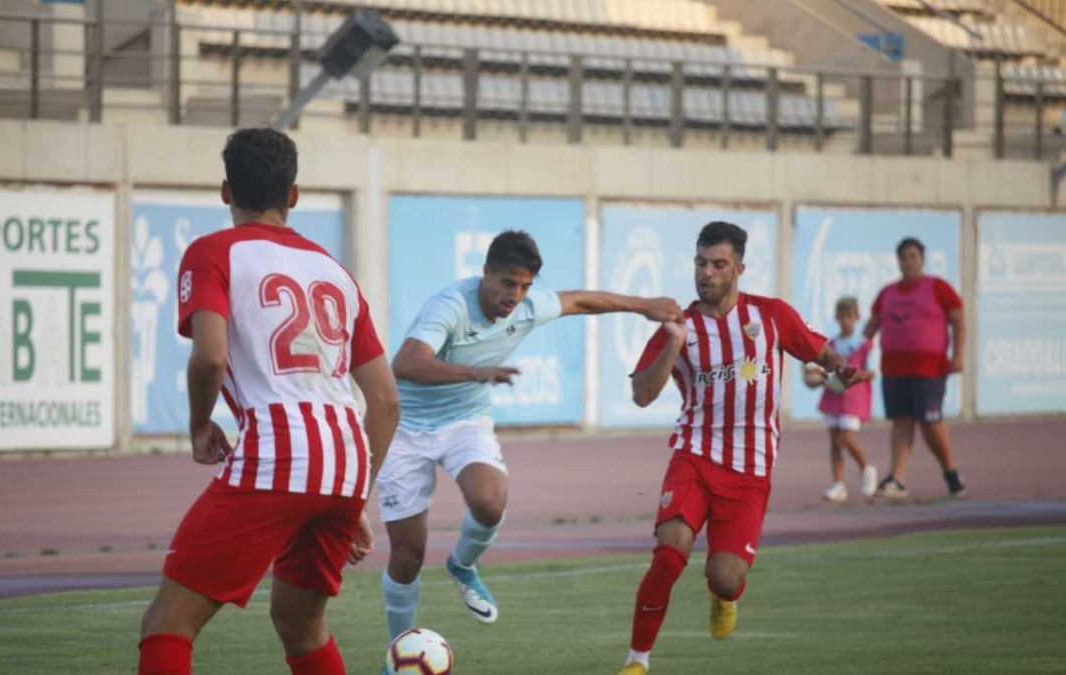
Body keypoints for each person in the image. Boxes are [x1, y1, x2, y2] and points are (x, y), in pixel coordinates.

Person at [137, 128, 400, 675]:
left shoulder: (213, 252)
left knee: (168, 622)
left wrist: (197, 425)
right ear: (295, 195)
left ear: (226, 191)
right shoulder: (335, 270)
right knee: (301, 627)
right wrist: (354, 494)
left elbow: (209, 357)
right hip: (346, 462)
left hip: (280, 452)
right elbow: (385, 401)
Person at [379, 229, 681, 645]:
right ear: (485, 272)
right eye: (507, 283)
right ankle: (400, 653)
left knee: (490, 500)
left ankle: (463, 567)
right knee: (408, 555)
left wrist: (643, 305)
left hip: (465, 422)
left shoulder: (526, 306)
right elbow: (407, 362)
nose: (515, 295)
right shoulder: (449, 307)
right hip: (406, 431)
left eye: (524, 286)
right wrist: (476, 373)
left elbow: (579, 301)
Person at [615, 221, 865, 675]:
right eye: (700, 263)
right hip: (693, 455)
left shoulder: (770, 317)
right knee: (670, 553)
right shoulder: (680, 326)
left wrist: (841, 367)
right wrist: (672, 346)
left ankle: (725, 597)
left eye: (718, 265)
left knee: (726, 579)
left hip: (749, 470)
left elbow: (819, 351)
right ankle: (637, 661)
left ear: (739, 269)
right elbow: (642, 394)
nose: (705, 273)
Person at [864, 237, 966, 499]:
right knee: (901, 422)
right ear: (897, 261)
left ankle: (951, 471)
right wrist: (853, 355)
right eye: (903, 257)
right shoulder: (887, 292)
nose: (908, 261)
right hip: (894, 367)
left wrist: (958, 355)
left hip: (929, 368)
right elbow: (871, 328)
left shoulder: (938, 288)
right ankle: (897, 478)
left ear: (921, 259)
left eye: (913, 256)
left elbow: (958, 321)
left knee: (930, 423)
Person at [802, 296, 878, 502]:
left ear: (856, 317)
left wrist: (854, 376)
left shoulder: (864, 345)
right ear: (836, 317)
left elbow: (871, 372)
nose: (845, 320)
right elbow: (820, 372)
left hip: (854, 398)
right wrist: (819, 378)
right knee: (834, 442)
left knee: (846, 437)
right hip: (832, 397)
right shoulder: (831, 344)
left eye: (849, 316)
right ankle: (838, 484)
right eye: (842, 316)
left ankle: (866, 469)